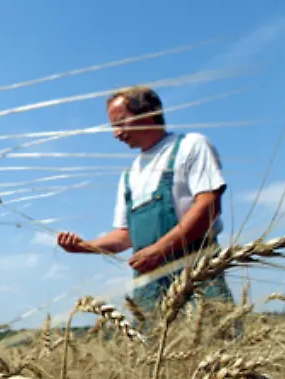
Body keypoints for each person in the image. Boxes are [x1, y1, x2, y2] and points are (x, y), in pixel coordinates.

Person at [56, 85, 233, 313]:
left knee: (214, 339)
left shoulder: (190, 146)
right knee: (154, 346)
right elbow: (124, 236)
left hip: (197, 272)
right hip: (149, 284)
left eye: (120, 123)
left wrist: (160, 250)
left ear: (148, 112)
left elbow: (208, 205)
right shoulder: (129, 176)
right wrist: (83, 246)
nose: (116, 134)